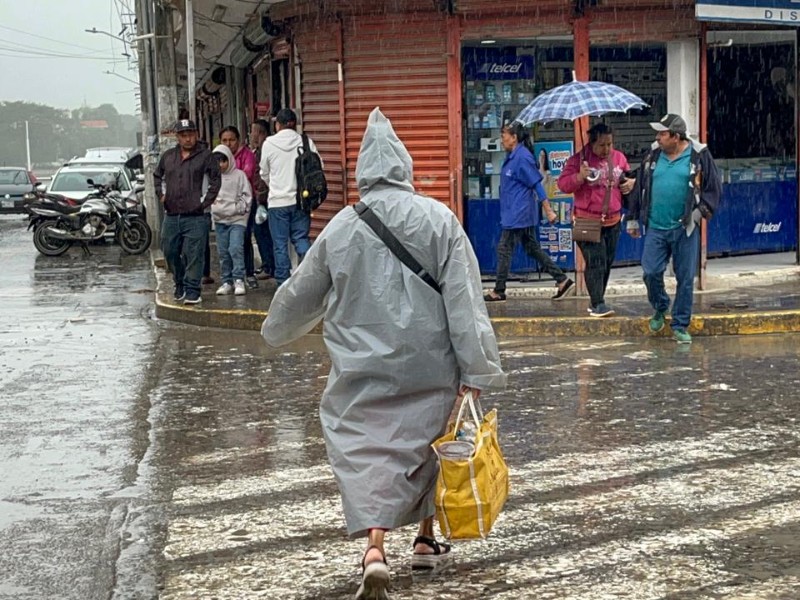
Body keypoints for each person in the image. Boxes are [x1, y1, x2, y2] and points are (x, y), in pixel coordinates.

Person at [261, 108, 506, 599]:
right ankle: (424, 539)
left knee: (371, 452)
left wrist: (276, 328)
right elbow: (464, 299)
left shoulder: (342, 227)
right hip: (431, 361)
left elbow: (301, 291)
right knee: (430, 446)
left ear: (362, 173)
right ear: (404, 165)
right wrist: (476, 366)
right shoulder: (440, 219)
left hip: (361, 366)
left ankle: (375, 549)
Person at [627, 113, 722, 344]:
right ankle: (660, 306)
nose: (658, 137)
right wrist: (632, 218)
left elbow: (713, 190)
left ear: (676, 137)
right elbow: (640, 186)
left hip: (685, 228)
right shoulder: (653, 154)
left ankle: (680, 324)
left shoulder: (699, 155)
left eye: (662, 133)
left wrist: (697, 216)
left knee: (685, 278)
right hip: (656, 227)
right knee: (650, 272)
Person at [484, 121, 574, 302]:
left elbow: (536, 185)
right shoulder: (513, 157)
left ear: (514, 137)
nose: (502, 140)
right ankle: (562, 279)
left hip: (519, 213)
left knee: (504, 248)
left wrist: (548, 210)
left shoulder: (522, 157)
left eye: (504, 136)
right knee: (532, 248)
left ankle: (499, 289)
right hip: (514, 212)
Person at [557, 123, 635, 317]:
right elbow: (563, 185)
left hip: (613, 220)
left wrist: (630, 182)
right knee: (596, 261)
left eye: (609, 144)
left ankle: (598, 300)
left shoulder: (618, 158)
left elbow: (627, 176)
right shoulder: (578, 161)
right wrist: (579, 177)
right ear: (591, 143)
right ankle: (597, 303)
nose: (606, 149)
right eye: (601, 145)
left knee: (607, 262)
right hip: (587, 221)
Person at [153, 119, 221, 305]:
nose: (188, 139)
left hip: (196, 215)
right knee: (170, 250)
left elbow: (216, 181)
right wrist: (161, 194)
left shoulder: (206, 156)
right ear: (177, 137)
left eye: (191, 134)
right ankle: (179, 282)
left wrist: (205, 202)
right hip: (172, 214)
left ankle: (192, 289)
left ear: (197, 134)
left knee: (194, 253)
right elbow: (157, 176)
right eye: (184, 135)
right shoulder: (168, 156)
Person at [259, 108, 320, 286]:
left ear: (277, 124)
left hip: (278, 202)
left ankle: (283, 282)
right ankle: (311, 276)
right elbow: (318, 167)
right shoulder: (306, 141)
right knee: (301, 239)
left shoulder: (269, 143)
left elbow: (264, 172)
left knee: (279, 244)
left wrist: (275, 187)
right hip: (301, 201)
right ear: (295, 124)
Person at [220, 125, 260, 290]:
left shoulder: (247, 155)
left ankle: (248, 274)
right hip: (223, 209)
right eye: (225, 140)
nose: (229, 144)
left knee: (243, 241)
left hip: (244, 205)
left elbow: (248, 173)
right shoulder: (217, 158)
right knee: (225, 247)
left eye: (232, 140)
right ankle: (228, 279)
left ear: (239, 140)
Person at [210, 144, 252, 296]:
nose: (220, 165)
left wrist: (238, 208)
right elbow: (207, 195)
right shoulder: (212, 177)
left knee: (235, 249)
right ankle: (226, 281)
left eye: (223, 161)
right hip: (220, 221)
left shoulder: (239, 175)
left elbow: (247, 196)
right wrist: (212, 206)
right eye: (217, 162)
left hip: (237, 220)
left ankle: (239, 279)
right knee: (223, 252)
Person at [249, 118, 275, 280]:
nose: (251, 135)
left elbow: (263, 176)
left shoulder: (266, 150)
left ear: (261, 133)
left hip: (265, 200)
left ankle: (269, 266)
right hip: (262, 199)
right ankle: (268, 264)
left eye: (253, 132)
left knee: (263, 233)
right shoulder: (258, 151)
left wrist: (260, 197)